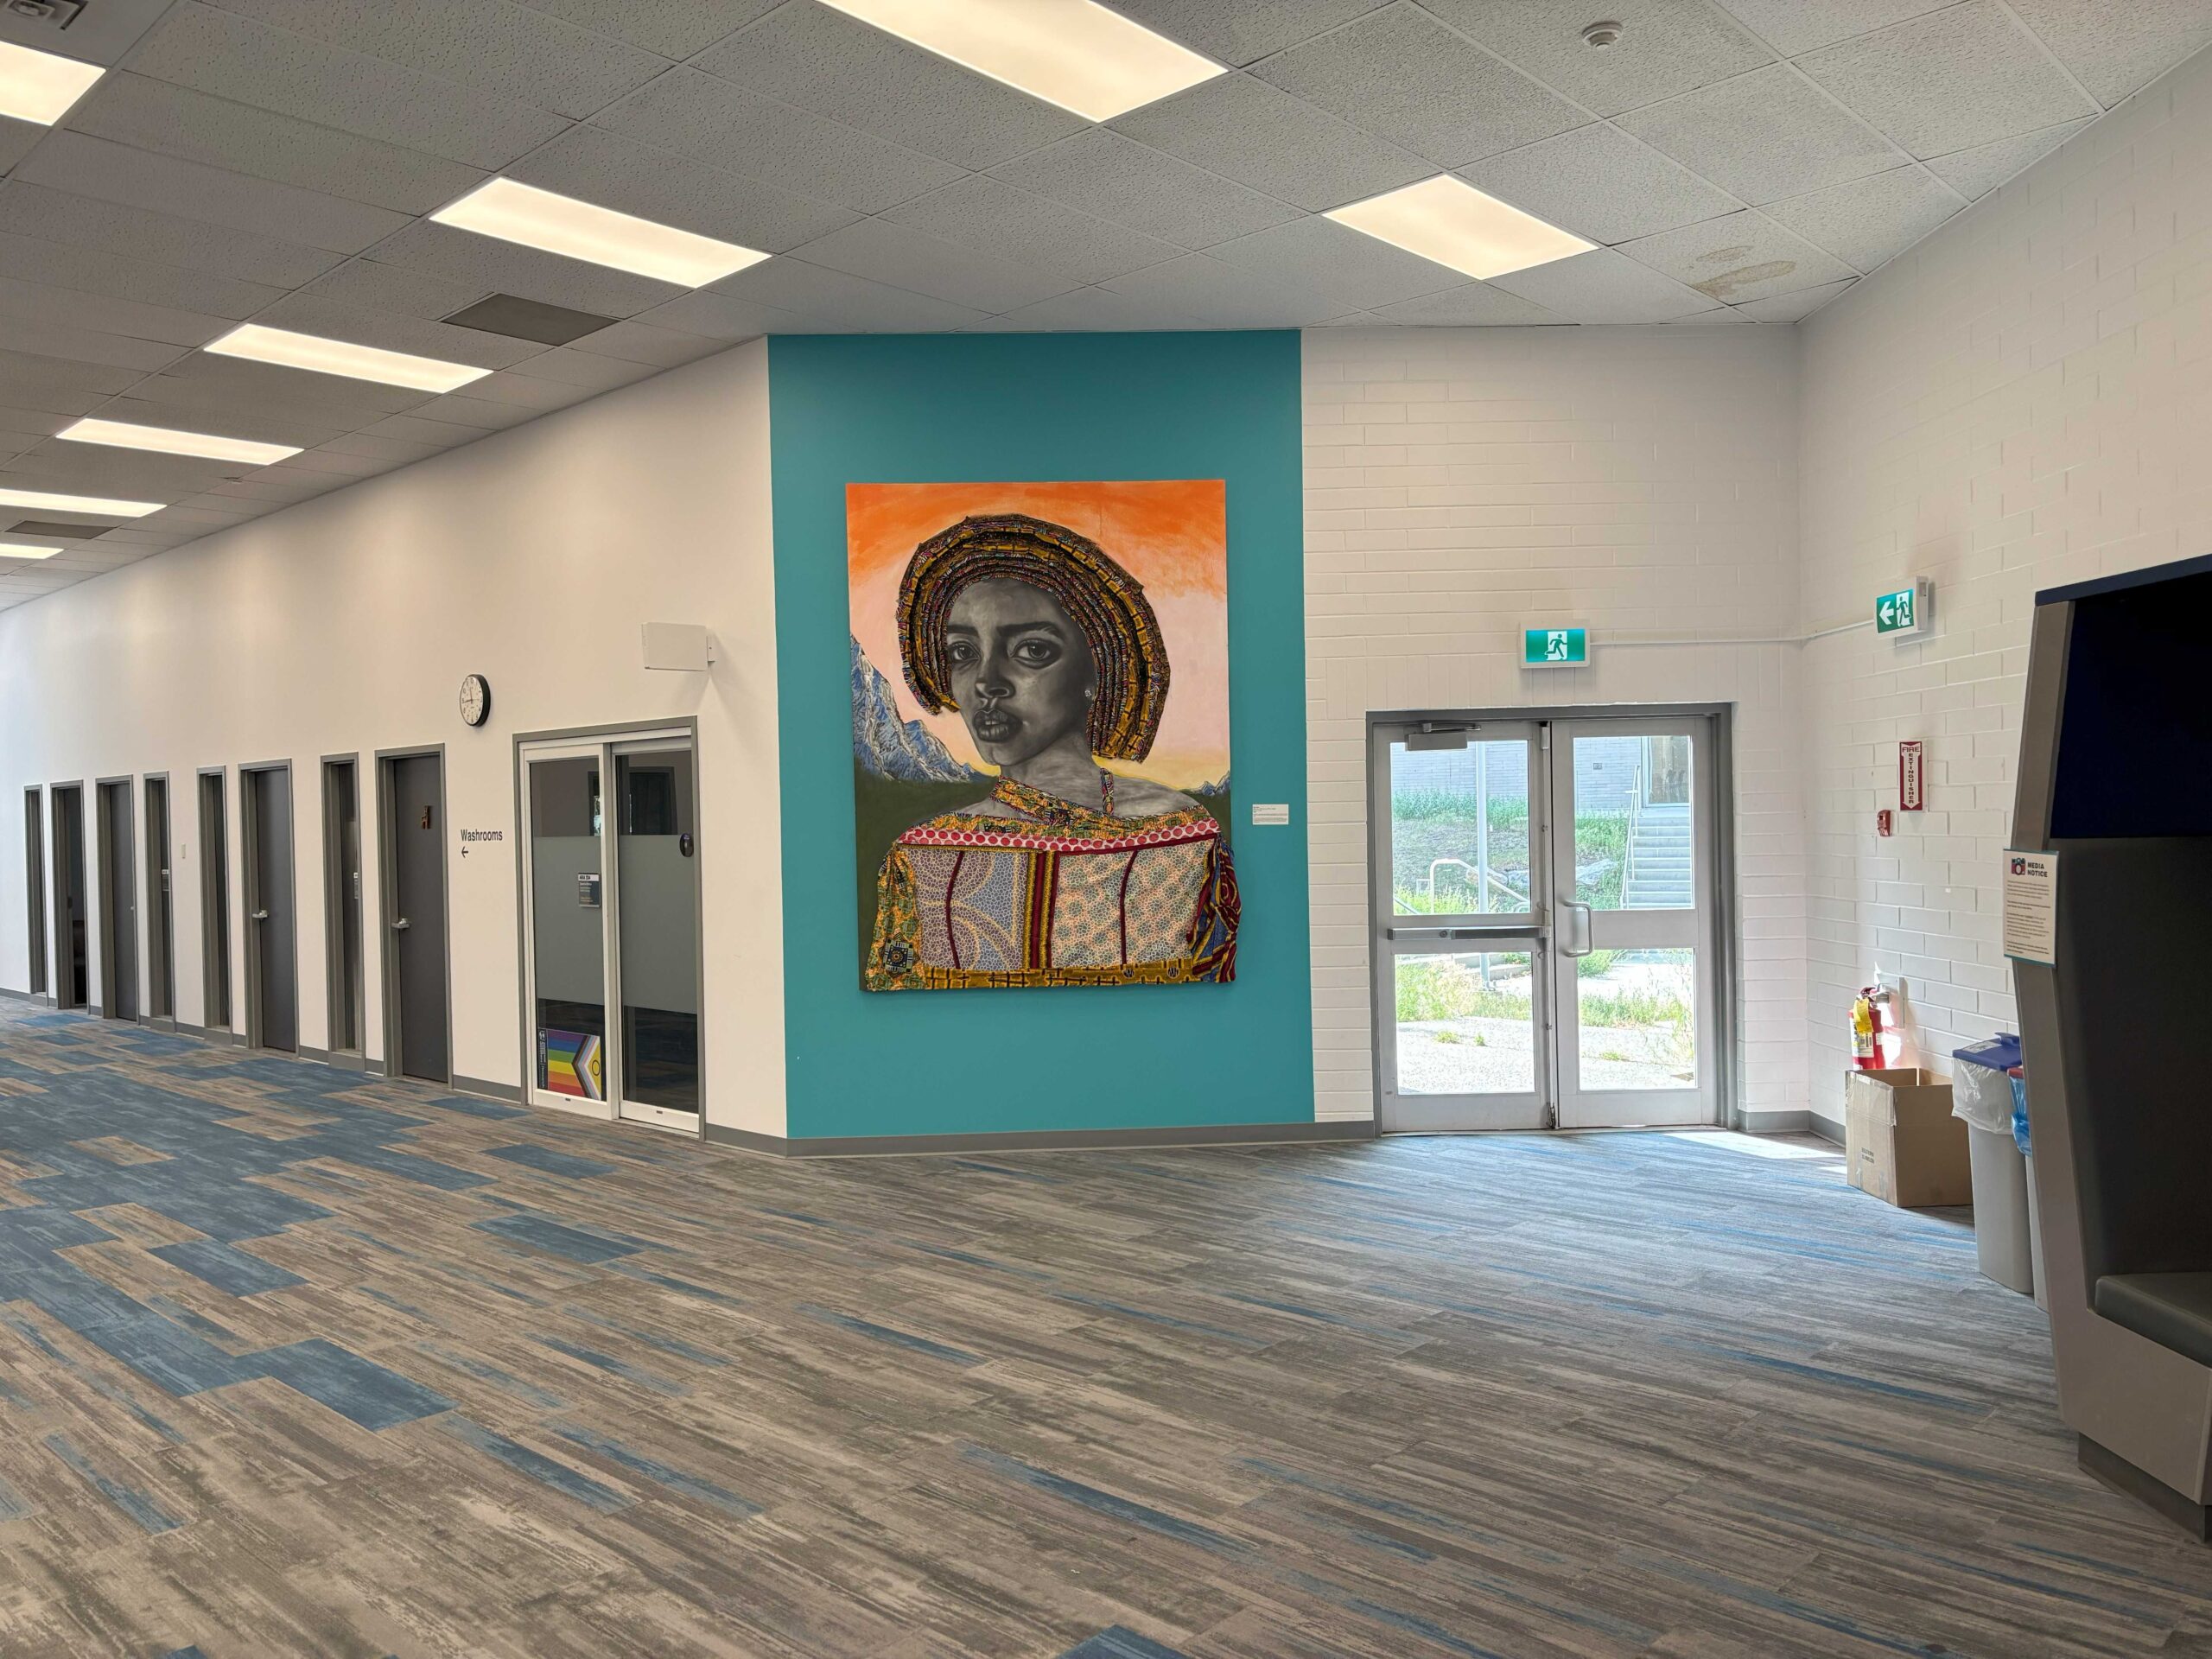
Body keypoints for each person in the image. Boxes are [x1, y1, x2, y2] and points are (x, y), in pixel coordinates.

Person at [866, 512, 1237, 991]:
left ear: (1096, 670)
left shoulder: (1184, 837)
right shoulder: (921, 855)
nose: (986, 683)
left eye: (1032, 650)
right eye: (962, 653)